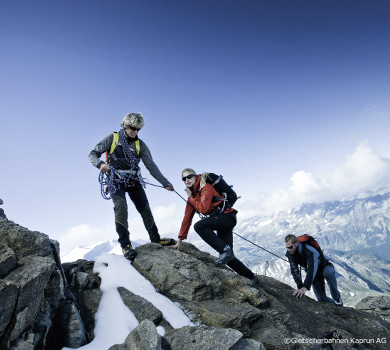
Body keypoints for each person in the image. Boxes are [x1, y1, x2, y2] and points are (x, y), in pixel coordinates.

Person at [89, 113, 175, 261]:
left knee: (145, 208)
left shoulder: (140, 145)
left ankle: (156, 239)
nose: (134, 131)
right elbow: (93, 154)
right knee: (121, 207)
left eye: (137, 129)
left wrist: (165, 182)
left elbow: (151, 166)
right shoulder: (113, 138)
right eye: (132, 128)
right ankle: (125, 244)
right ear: (125, 125)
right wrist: (100, 164)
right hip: (115, 179)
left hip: (133, 179)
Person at [172, 168, 260, 286]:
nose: (186, 180)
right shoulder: (192, 197)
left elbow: (204, 209)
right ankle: (251, 277)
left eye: (189, 176)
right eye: (184, 178)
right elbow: (187, 218)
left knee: (199, 226)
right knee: (228, 258)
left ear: (195, 176)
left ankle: (225, 250)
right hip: (221, 221)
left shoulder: (206, 187)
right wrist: (180, 240)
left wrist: (192, 198)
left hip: (227, 217)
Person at [284, 234, 343, 306]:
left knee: (328, 272)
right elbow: (294, 271)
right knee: (321, 300)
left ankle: (337, 299)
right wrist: (300, 287)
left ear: (296, 244)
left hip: (324, 267)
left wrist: (305, 287)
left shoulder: (309, 250)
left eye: (290, 247)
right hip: (315, 276)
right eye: (287, 248)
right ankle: (336, 306)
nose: (289, 250)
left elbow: (312, 268)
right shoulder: (290, 254)